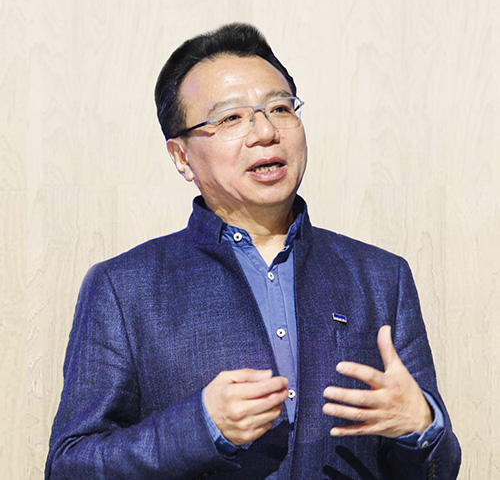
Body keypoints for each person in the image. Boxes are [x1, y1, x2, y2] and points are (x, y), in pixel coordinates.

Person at [46, 23, 461, 479]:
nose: (265, 131)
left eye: (280, 108)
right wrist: (199, 428)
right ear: (182, 157)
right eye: (231, 118)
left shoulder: (381, 277)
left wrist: (421, 426)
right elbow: (70, 466)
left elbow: (438, 469)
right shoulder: (123, 288)